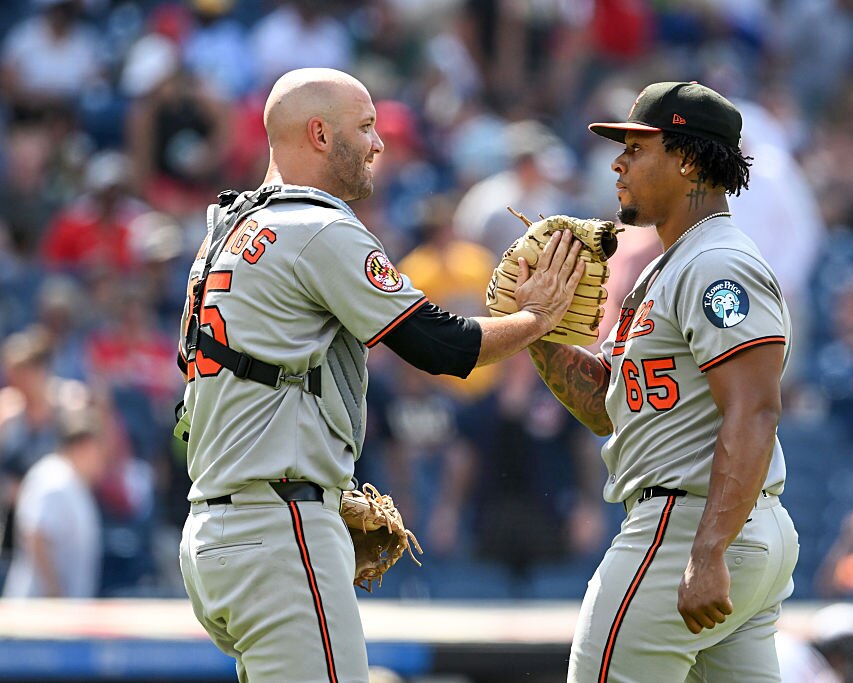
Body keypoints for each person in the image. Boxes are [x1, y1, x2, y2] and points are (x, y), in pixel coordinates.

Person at [175, 67, 584, 683]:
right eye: (364, 127)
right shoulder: (317, 228)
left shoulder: (223, 233)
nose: (378, 143)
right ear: (318, 134)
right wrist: (538, 318)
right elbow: (442, 346)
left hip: (216, 529)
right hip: (279, 528)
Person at [523, 81, 800, 681]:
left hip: (690, 526)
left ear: (690, 159)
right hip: (725, 525)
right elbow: (609, 410)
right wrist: (538, 331)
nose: (618, 162)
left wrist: (707, 551)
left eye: (637, 147)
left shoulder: (717, 264)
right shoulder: (669, 265)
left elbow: (754, 411)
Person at [2, 406, 106, 598]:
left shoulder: (73, 481)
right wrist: (53, 591)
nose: (102, 458)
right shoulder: (53, 477)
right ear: (85, 445)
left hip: (61, 611)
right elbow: (35, 534)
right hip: (38, 612)